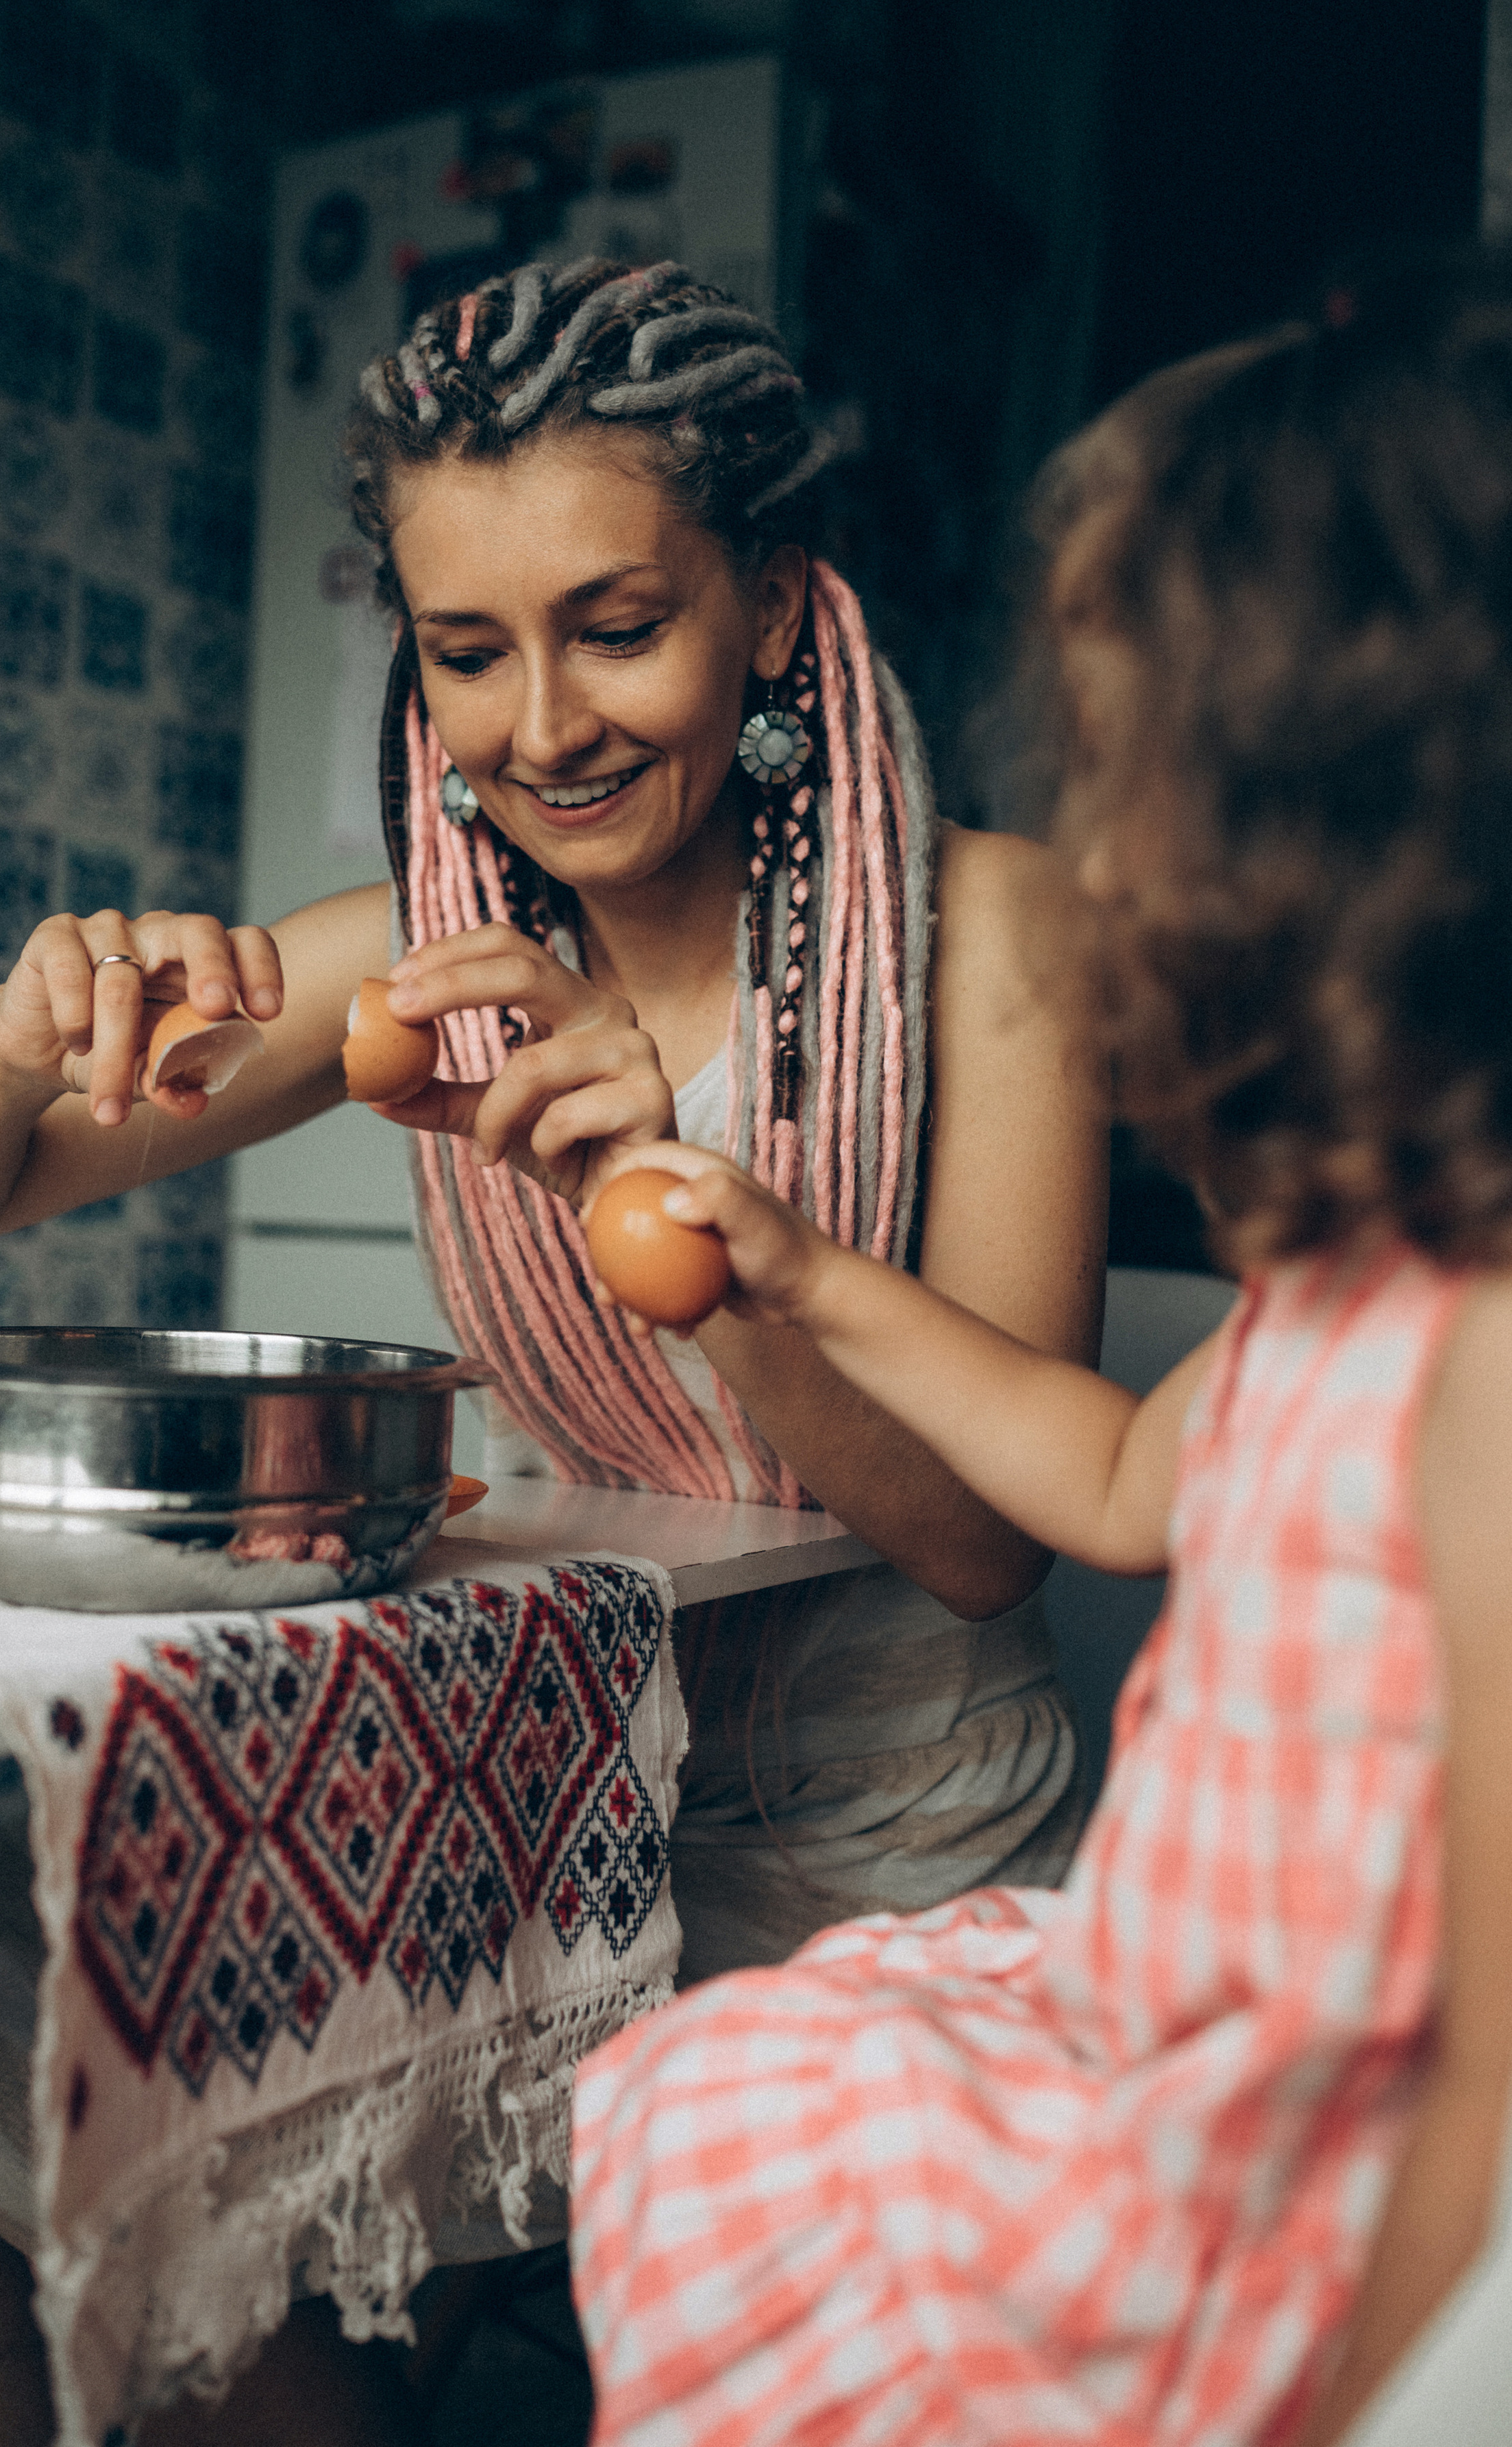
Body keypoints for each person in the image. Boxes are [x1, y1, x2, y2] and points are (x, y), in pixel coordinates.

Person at [0, 260, 1106, 2444]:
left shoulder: (994, 932)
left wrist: (658, 1200)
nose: (540, 725)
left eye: (616, 623)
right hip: (543, 1790)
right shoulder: (425, 947)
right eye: (467, 648)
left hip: (889, 1836)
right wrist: (23, 1028)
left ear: (773, 606)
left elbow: (982, 1549)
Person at [567, 247, 1512, 2447]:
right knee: (737, 2083)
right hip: (1160, 2022)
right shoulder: (1345, 1300)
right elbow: (1101, 1475)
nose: (1096, 855)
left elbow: (1493, 2076)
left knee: (775, 2130)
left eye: (1132, 777)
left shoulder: (1480, 1367)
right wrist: (801, 1272)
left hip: (1273, 2201)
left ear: (1337, 828)